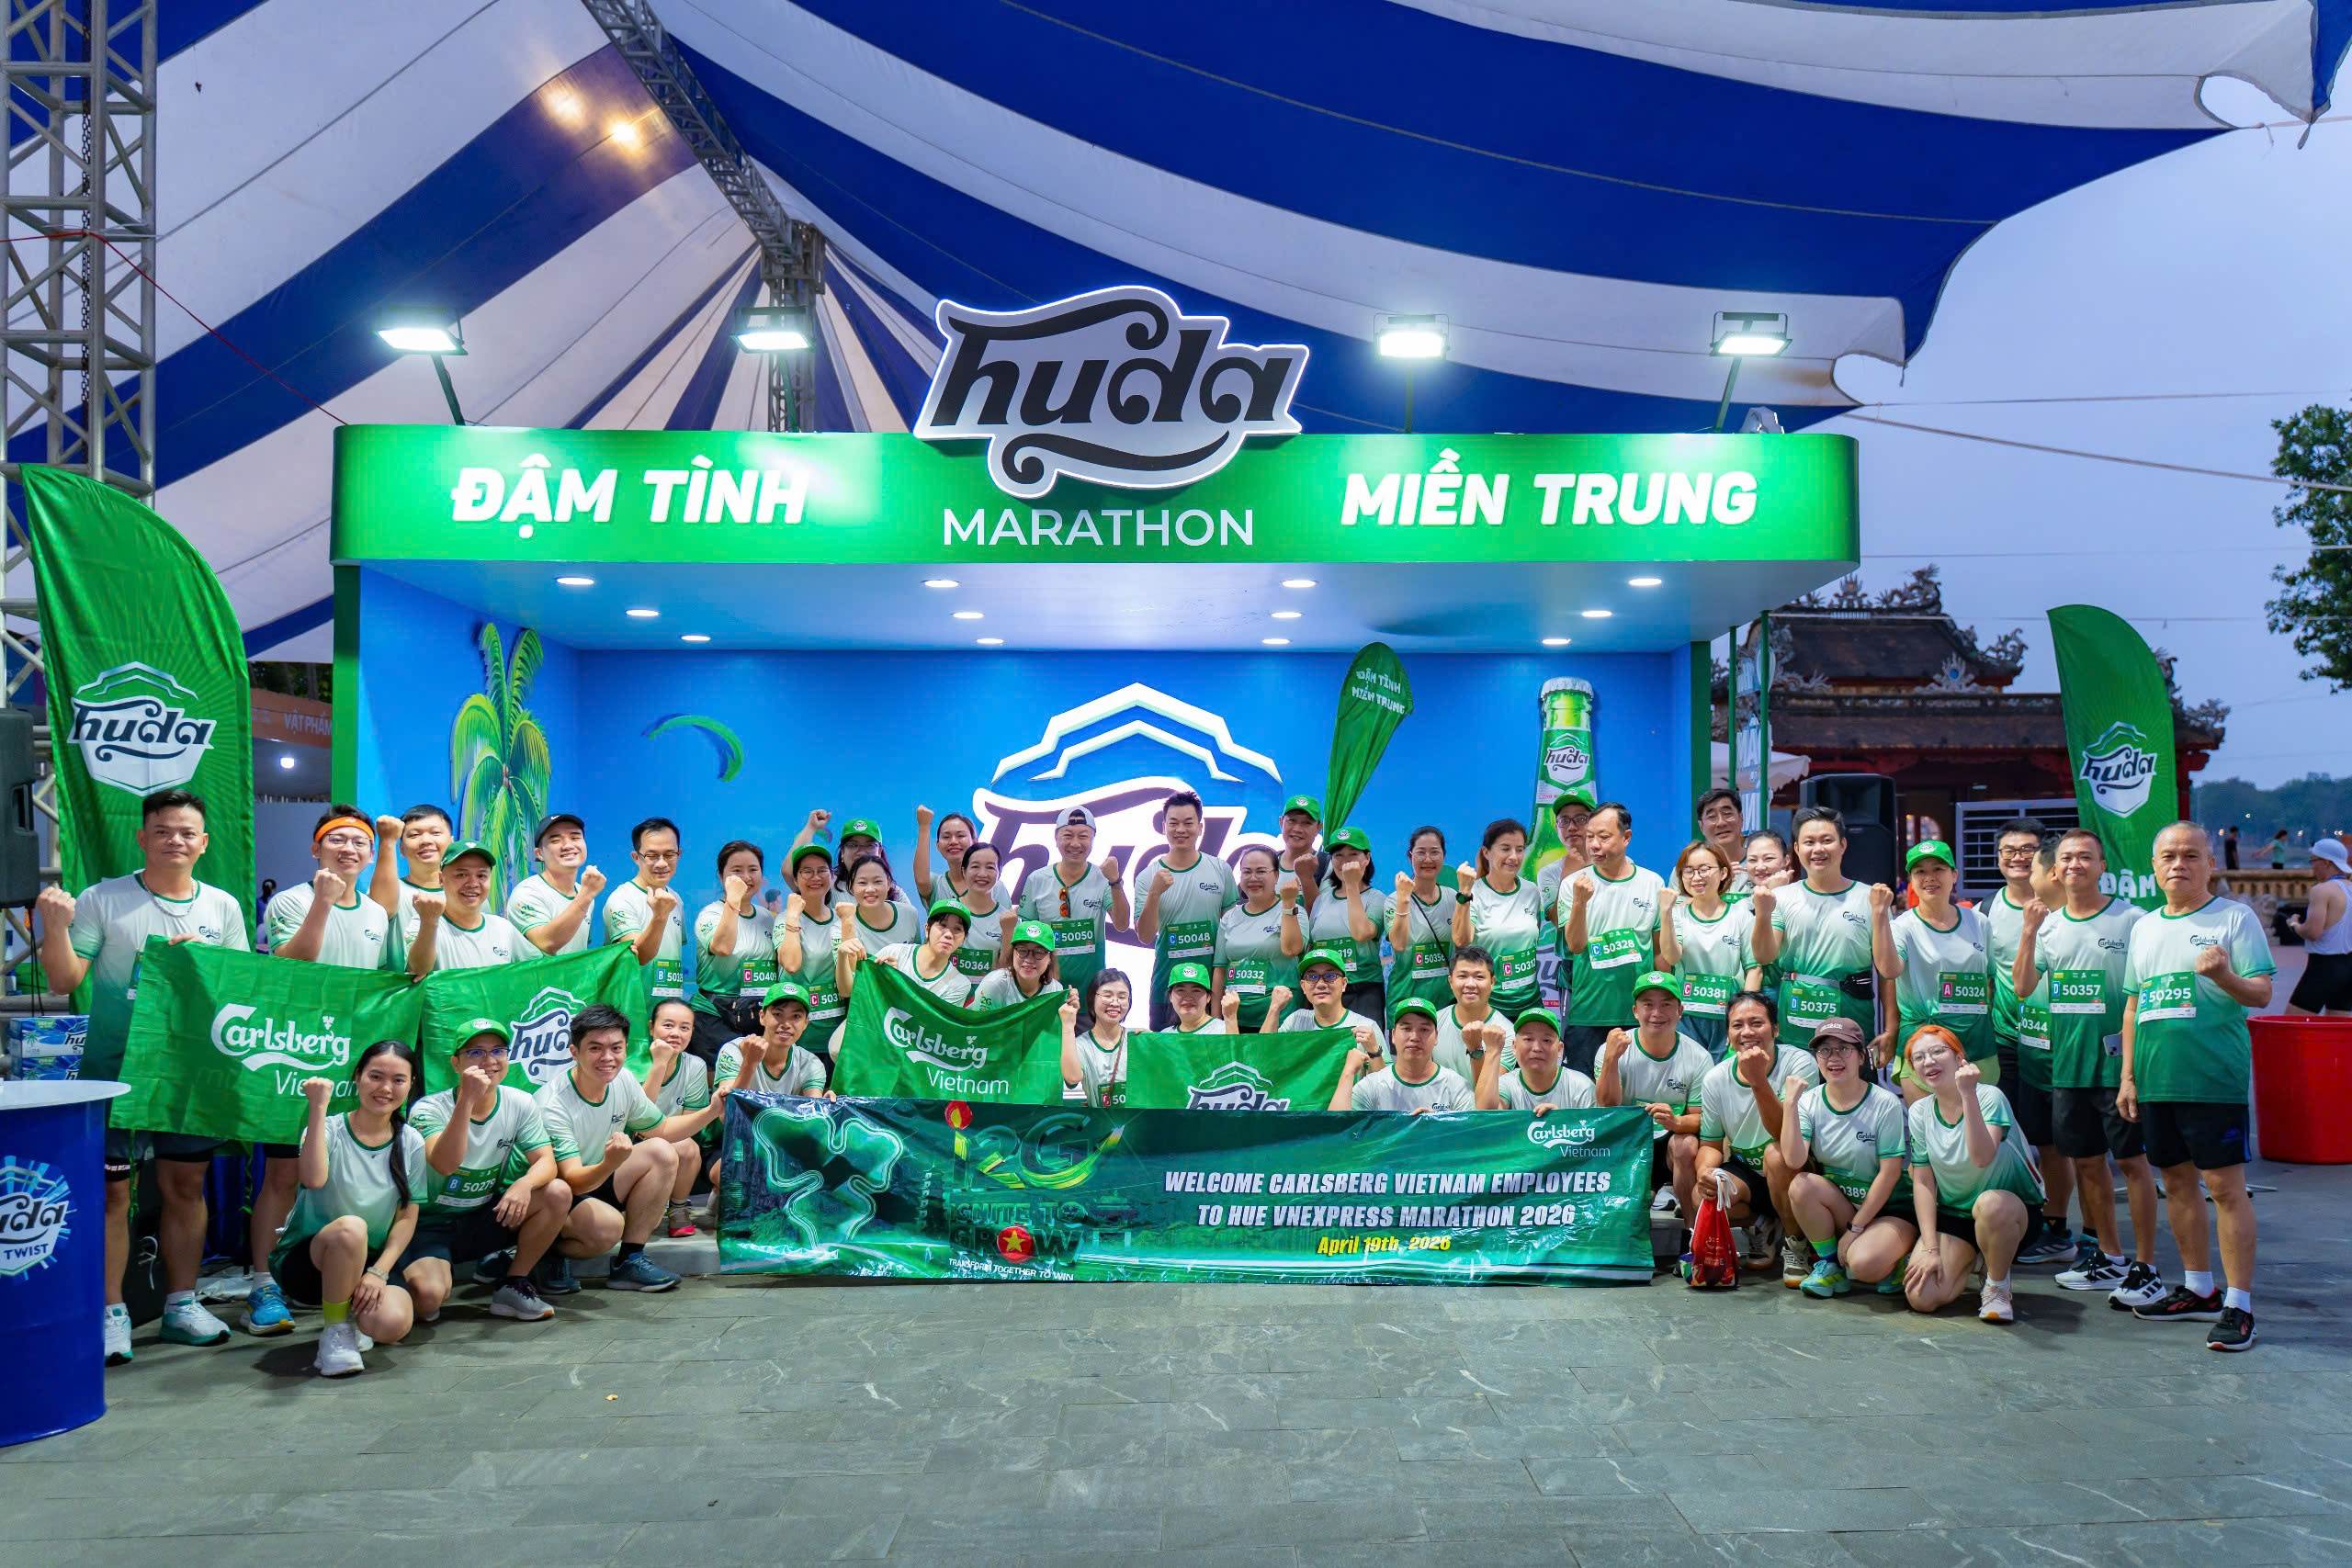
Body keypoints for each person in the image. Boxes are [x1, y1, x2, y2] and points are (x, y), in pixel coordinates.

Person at [34, 787, 251, 1364]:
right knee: (112, 1192)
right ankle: (111, 1313)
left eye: (186, 832)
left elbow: (237, 991)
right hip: (114, 1070)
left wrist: (202, 962)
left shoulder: (222, 907)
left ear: (203, 843)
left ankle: (181, 1304)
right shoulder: (103, 897)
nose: (175, 840)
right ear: (142, 837)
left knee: (186, 1188)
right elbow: (63, 980)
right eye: (163, 830)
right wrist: (54, 927)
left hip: (187, 1073)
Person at [2120, 821, 2275, 1350]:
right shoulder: (2145, 927)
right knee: (2177, 1183)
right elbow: (2134, 1005)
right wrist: (2128, 1077)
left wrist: (2223, 976)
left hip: (2213, 1080)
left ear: (2211, 864)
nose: (2178, 864)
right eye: (2168, 856)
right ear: (2154, 866)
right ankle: (2199, 1288)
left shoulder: (2234, 918)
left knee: (2225, 1189)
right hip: (2157, 1080)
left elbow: (2261, 994)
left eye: (2190, 855)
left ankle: (2239, 1304)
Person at [248, 806, 398, 1338]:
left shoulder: (378, 913)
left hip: (352, 1058)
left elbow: (388, 985)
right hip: (296, 1052)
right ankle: (263, 1283)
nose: (348, 849)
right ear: (316, 849)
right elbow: (294, 962)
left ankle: (337, 1276)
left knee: (342, 1173)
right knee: (284, 1171)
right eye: (336, 840)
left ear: (371, 854)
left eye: (359, 842)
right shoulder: (290, 900)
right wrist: (322, 902)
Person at [2018, 829, 2163, 1308]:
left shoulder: (2132, 920)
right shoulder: (2050, 926)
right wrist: (2028, 932)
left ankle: (2146, 1265)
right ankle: (2110, 1256)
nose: (2075, 865)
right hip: (2068, 1068)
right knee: (2086, 1163)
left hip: (2118, 1070)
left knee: (2132, 1164)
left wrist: (2134, 1069)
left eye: (2085, 856)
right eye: (2066, 858)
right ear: (2055, 869)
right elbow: (2023, 986)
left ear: (2102, 866)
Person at [537, 1003, 744, 1293]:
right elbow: (572, 1180)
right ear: (574, 1052)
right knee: (608, 1229)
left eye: (616, 1048)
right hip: (556, 1194)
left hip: (598, 1176)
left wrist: (712, 1111)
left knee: (661, 1150)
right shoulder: (554, 1104)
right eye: (595, 1048)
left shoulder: (622, 1079)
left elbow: (662, 1129)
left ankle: (630, 1260)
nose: (607, 1058)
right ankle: (541, 1252)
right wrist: (610, 1163)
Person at [399, 1019, 572, 1321]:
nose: (489, 1060)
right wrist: (467, 1099)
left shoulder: (520, 1102)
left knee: (557, 1192)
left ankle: (513, 1283)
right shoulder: (428, 1109)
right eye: (476, 1052)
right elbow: (444, 1164)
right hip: (430, 1224)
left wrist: (524, 1185)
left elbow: (546, 1161)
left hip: (484, 1215)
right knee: (427, 1299)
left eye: (498, 1051)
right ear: (456, 1063)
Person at [274, 1049, 427, 1378]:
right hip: (309, 1262)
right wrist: (317, 1108)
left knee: (391, 1324)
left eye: (398, 1080)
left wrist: (379, 1272)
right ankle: (336, 1331)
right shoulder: (328, 1127)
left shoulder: (411, 1140)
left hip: (368, 1262)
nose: (385, 1088)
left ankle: (353, 1319)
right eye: (376, 1076)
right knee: (351, 1229)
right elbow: (313, 1179)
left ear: (411, 1084)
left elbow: (406, 1217)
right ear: (357, 1077)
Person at [1980, 817, 2076, 1267]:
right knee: (2011, 1136)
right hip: (2006, 1040)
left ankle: (2060, 1228)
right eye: (2009, 850)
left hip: (2056, 1042)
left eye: (2027, 850)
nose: (2018, 858)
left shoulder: (2066, 908)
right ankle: (2016, 1221)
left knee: (2058, 1143)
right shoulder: (1986, 910)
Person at [1901, 1026, 2044, 1325]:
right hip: (1956, 1215)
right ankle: (1979, 1257)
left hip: (2009, 1212)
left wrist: (1967, 1094)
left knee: (1991, 1205)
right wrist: (1930, 1247)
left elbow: (1981, 1157)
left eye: (1938, 1052)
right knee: (1922, 1296)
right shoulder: (1919, 1112)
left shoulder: (1990, 1096)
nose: (1929, 1061)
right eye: (1919, 1057)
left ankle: (1997, 1286)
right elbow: (1924, 1181)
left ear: (1959, 1058)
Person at [1778, 1017, 1913, 1299]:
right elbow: (1793, 1160)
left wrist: (1855, 1229)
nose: (1833, 1057)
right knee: (1801, 1185)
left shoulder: (1885, 1103)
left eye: (1844, 1049)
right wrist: (1790, 1104)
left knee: (1864, 1265)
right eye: (1824, 1050)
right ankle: (1830, 1266)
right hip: (1845, 1206)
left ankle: (1898, 1256)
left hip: (1888, 1209)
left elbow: (1889, 1174)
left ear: (1862, 1056)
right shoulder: (1809, 1101)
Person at [1694, 991, 1822, 1284]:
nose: (1747, 1032)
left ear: (1775, 1029)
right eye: (1737, 1025)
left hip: (1796, 1167)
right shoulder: (1715, 1078)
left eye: (1756, 1023)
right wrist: (1705, 1171)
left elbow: (1784, 1135)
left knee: (1777, 1156)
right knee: (1703, 1194)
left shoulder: (1799, 1064)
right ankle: (1763, 1225)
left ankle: (1796, 1244)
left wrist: (1758, 1080)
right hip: (1747, 1171)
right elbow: (1710, 1145)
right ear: (1728, 1035)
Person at [1747, 807, 1880, 1050]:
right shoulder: (1782, 897)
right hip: (1793, 1030)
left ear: (1843, 845)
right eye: (1809, 842)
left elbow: (1887, 974)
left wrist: (1891, 1028)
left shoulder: (1871, 898)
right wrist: (1763, 914)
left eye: (1827, 840)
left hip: (1852, 1029)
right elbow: (1764, 956)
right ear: (1797, 849)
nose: (1818, 849)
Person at [1560, 803, 1668, 1077]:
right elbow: (1575, 946)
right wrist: (1580, 903)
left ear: (1626, 837)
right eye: (1589, 837)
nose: (1594, 845)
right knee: (1585, 1093)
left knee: (1634, 1092)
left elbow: (1660, 953)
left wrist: (1661, 1005)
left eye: (1604, 837)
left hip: (1640, 1016)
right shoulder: (1573, 884)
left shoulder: (1652, 883)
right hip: (1587, 1014)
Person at [1595, 973, 1713, 1220]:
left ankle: (1690, 1230)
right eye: (1648, 1004)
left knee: (1686, 1145)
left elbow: (1701, 1119)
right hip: (1628, 1141)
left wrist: (1676, 1122)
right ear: (1635, 1011)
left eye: (1666, 1004)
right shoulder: (1611, 1049)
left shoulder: (1699, 1057)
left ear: (1680, 1011)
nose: (1657, 1013)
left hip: (1669, 1145)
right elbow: (1607, 1106)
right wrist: (1611, 1060)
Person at [1879, 840, 1994, 1096]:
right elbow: (1889, 972)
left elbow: (1989, 982)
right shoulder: (1902, 927)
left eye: (1938, 869)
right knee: (1925, 1120)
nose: (1929, 877)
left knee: (1980, 1119)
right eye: (1920, 871)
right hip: (1922, 1046)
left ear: (1954, 875)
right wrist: (1879, 918)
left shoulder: (1979, 922)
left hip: (1975, 1043)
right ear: (1911, 880)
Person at [1134, 789, 1239, 1029]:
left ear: (1200, 827)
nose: (1180, 829)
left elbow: (1232, 930)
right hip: (1167, 990)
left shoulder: (1220, 870)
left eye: (1188, 823)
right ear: (1164, 827)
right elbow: (1145, 936)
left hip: (1211, 991)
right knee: (1164, 1051)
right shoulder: (1148, 876)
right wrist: (1154, 893)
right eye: (1173, 823)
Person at [1017, 807, 1129, 1010]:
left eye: (1083, 836)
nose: (1075, 843)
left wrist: (1115, 881)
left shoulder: (1103, 878)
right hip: (1046, 993)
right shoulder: (1037, 879)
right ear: (1056, 838)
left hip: (1091, 994)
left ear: (1093, 839)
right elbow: (1026, 940)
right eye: (1067, 836)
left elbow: (1122, 924)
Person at [1654, 840, 1751, 1056]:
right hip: (1687, 1018)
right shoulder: (1676, 915)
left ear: (1723, 873)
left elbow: (1754, 970)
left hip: (1728, 1017)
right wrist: (1666, 912)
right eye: (1688, 871)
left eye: (1704, 869)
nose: (1696, 877)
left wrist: (1744, 1018)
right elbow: (1671, 957)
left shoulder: (1741, 915)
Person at [694, 840, 779, 1066]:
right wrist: (733, 899)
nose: (746, 877)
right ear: (721, 876)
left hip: (757, 1015)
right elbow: (723, 948)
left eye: (753, 869)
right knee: (721, 1082)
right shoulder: (710, 914)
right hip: (715, 1016)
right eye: (736, 871)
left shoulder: (767, 917)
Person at [1454, 818, 1544, 1021]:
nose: (1514, 856)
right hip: (1489, 1007)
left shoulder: (1531, 891)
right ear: (1486, 852)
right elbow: (1461, 940)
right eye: (1505, 849)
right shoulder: (1474, 892)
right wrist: (1464, 893)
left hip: (1530, 1004)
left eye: (1519, 850)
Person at [639, 998, 713, 1238]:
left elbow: (689, 1124)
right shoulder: (632, 1061)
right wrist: (659, 1063)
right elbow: (639, 1120)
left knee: (688, 1147)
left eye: (684, 1027)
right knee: (642, 1225)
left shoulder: (695, 1066)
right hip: (632, 1143)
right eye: (668, 1025)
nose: (676, 1034)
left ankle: (678, 1208)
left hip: (672, 1139)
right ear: (652, 1027)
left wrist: (661, 1136)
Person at [402, 841, 527, 977]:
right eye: (461, 875)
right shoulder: (425, 922)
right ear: (441, 879)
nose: (473, 884)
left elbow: (537, 966)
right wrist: (429, 922)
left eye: (481, 876)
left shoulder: (503, 928)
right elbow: (417, 970)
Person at [1214, 843, 1303, 1032]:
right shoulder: (1230, 917)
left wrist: (1288, 904)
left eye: (1261, 871)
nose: (1253, 878)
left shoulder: (1294, 910)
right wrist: (1215, 1021)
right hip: (1235, 1019)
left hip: (1280, 1016)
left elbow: (1292, 949)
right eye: (1247, 872)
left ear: (1276, 875)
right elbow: (1220, 970)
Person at [1334, 997, 1474, 1111]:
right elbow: (1337, 1129)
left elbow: (1472, 1133)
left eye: (1424, 1029)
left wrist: (1435, 1125)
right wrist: (1348, 1073)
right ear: (1393, 1035)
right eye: (1406, 1028)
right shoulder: (1372, 1086)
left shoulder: (1456, 1086)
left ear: (1436, 1036)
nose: (1414, 1037)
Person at [603, 817, 687, 1005]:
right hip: (630, 1010)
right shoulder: (621, 899)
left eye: (669, 854)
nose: (662, 863)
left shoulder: (676, 899)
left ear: (679, 854)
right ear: (636, 857)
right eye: (652, 856)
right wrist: (660, 917)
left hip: (668, 1010)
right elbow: (639, 956)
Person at [1306, 827, 1386, 1023]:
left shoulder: (1377, 898)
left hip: (1363, 988)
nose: (1345, 861)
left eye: (1353, 854)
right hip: (1323, 989)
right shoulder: (1321, 900)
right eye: (1338, 856)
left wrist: (1351, 884)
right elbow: (1311, 946)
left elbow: (1362, 933)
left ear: (1367, 858)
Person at [505, 812, 604, 955]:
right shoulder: (527, 893)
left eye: (575, 837)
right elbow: (546, 943)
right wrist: (586, 896)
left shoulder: (583, 892)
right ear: (539, 854)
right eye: (556, 840)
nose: (568, 845)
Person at [849, 899, 978, 1007]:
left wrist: (896, 984)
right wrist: (882, 979)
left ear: (964, 939)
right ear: (927, 929)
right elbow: (860, 994)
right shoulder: (894, 952)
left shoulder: (959, 985)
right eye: (942, 925)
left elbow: (933, 1025)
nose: (948, 934)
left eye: (957, 929)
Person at [775, 843, 844, 1043]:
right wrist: (793, 918)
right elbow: (791, 964)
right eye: (807, 871)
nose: (815, 877)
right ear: (795, 879)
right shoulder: (785, 918)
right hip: (796, 1031)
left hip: (836, 1029)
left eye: (822, 870)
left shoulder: (842, 920)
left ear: (832, 876)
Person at [715, 983, 832, 1097]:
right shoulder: (734, 1050)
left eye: (796, 1016)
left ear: (806, 1023)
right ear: (762, 1017)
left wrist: (825, 1105)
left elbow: (814, 1106)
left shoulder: (810, 1064)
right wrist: (749, 1064)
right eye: (777, 1014)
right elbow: (726, 1107)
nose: (786, 1024)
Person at [1385, 826, 1455, 1013]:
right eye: (1421, 853)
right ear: (1410, 857)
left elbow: (1463, 942)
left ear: (1443, 856)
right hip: (1405, 1002)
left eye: (1435, 852)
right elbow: (1398, 944)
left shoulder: (1453, 897)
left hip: (1446, 1003)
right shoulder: (1394, 900)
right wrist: (1404, 899)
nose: (1428, 859)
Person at [1476, 1006, 1595, 1111]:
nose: (1537, 1048)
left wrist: (1560, 1120)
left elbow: (1594, 1128)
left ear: (1559, 1049)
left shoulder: (1581, 1087)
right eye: (1528, 1039)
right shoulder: (1506, 1084)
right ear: (1514, 1046)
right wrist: (1492, 1051)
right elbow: (1485, 1114)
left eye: (1546, 1040)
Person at [1276, 948, 1383, 1063]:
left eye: (1330, 976)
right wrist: (1274, 1009)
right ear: (1303, 986)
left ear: (1344, 984)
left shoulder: (1366, 1027)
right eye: (1312, 977)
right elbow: (1266, 1059)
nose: (1321, 984)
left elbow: (1383, 1075)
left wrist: (1374, 1051)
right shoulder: (1295, 1021)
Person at [2289, 836, 2352, 1014]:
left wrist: (2294, 924)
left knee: (2293, 1025)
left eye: (2313, 861)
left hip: (2324, 966)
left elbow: (2313, 932)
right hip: (2349, 966)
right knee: (2338, 1027)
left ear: (2326, 862)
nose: (2312, 866)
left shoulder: (2321, 890)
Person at [367, 804, 454, 927]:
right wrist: (387, 840)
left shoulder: (467, 893)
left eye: (435, 833)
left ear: (451, 843)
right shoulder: (391, 890)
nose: (426, 841)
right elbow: (380, 915)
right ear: (401, 849)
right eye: (414, 835)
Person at [1431, 945, 1505, 1084]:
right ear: (1450, 982)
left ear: (1492, 982)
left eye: (1479, 977)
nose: (1470, 984)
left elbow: (1491, 1092)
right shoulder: (1432, 1024)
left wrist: (1476, 1049)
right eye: (1462, 976)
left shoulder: (1505, 1033)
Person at [1060, 971, 1134, 1107]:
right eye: (1107, 996)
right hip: (1101, 1120)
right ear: (1092, 998)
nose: (1115, 1003)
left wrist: (1150, 1040)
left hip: (1136, 1120)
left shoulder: (1137, 1039)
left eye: (1122, 997)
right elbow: (1072, 1078)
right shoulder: (1080, 1045)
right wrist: (1068, 1025)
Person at [947, 842, 1012, 986]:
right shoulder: (946, 912)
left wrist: (1008, 933)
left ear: (999, 873)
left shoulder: (1008, 920)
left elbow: (1006, 974)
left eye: (990, 867)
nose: (982, 874)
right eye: (975, 866)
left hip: (989, 998)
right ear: (964, 871)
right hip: (948, 997)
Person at [974, 919, 1064, 1009]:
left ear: (1050, 958)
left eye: (1039, 952)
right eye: (1022, 950)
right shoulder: (994, 984)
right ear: (1012, 952)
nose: (1029, 959)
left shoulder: (1055, 990)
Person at [910, 805, 979, 905]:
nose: (953, 841)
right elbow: (921, 880)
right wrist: (924, 826)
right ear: (938, 846)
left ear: (975, 842)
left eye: (960, 835)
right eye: (946, 837)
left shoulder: (993, 885)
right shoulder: (936, 884)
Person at [1274, 794, 1329, 906]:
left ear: (1319, 827)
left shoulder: (1328, 865)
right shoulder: (1267, 862)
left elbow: (1325, 912)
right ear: (1281, 822)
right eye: (1292, 820)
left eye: (1307, 823)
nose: (1297, 829)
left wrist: (1307, 879)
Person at [1694, 787, 1749, 895]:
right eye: (1712, 817)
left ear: (1741, 818)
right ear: (1701, 826)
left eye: (1727, 814)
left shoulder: (1761, 865)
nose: (1721, 823)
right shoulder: (1688, 869)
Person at [1162, 961, 1229, 1033]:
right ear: (1170, 997)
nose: (1188, 997)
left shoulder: (1225, 1030)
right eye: (1181, 990)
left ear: (1208, 997)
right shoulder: (1164, 1035)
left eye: (1196, 991)